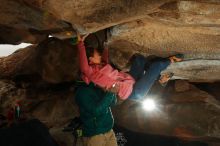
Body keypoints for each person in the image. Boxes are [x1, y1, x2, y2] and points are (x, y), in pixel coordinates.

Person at [77, 33, 183, 101]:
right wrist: (80, 43)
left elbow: (105, 58)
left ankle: (159, 78)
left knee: (139, 59)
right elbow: (83, 65)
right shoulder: (91, 73)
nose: (99, 55)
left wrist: (106, 46)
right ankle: (170, 60)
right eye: (97, 55)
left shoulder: (101, 65)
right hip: (134, 92)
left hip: (130, 79)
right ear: (90, 59)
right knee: (156, 65)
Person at [75, 80, 119, 146]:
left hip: (108, 130)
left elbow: (112, 103)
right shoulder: (82, 91)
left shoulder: (98, 86)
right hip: (94, 134)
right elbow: (96, 111)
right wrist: (110, 93)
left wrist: (111, 91)